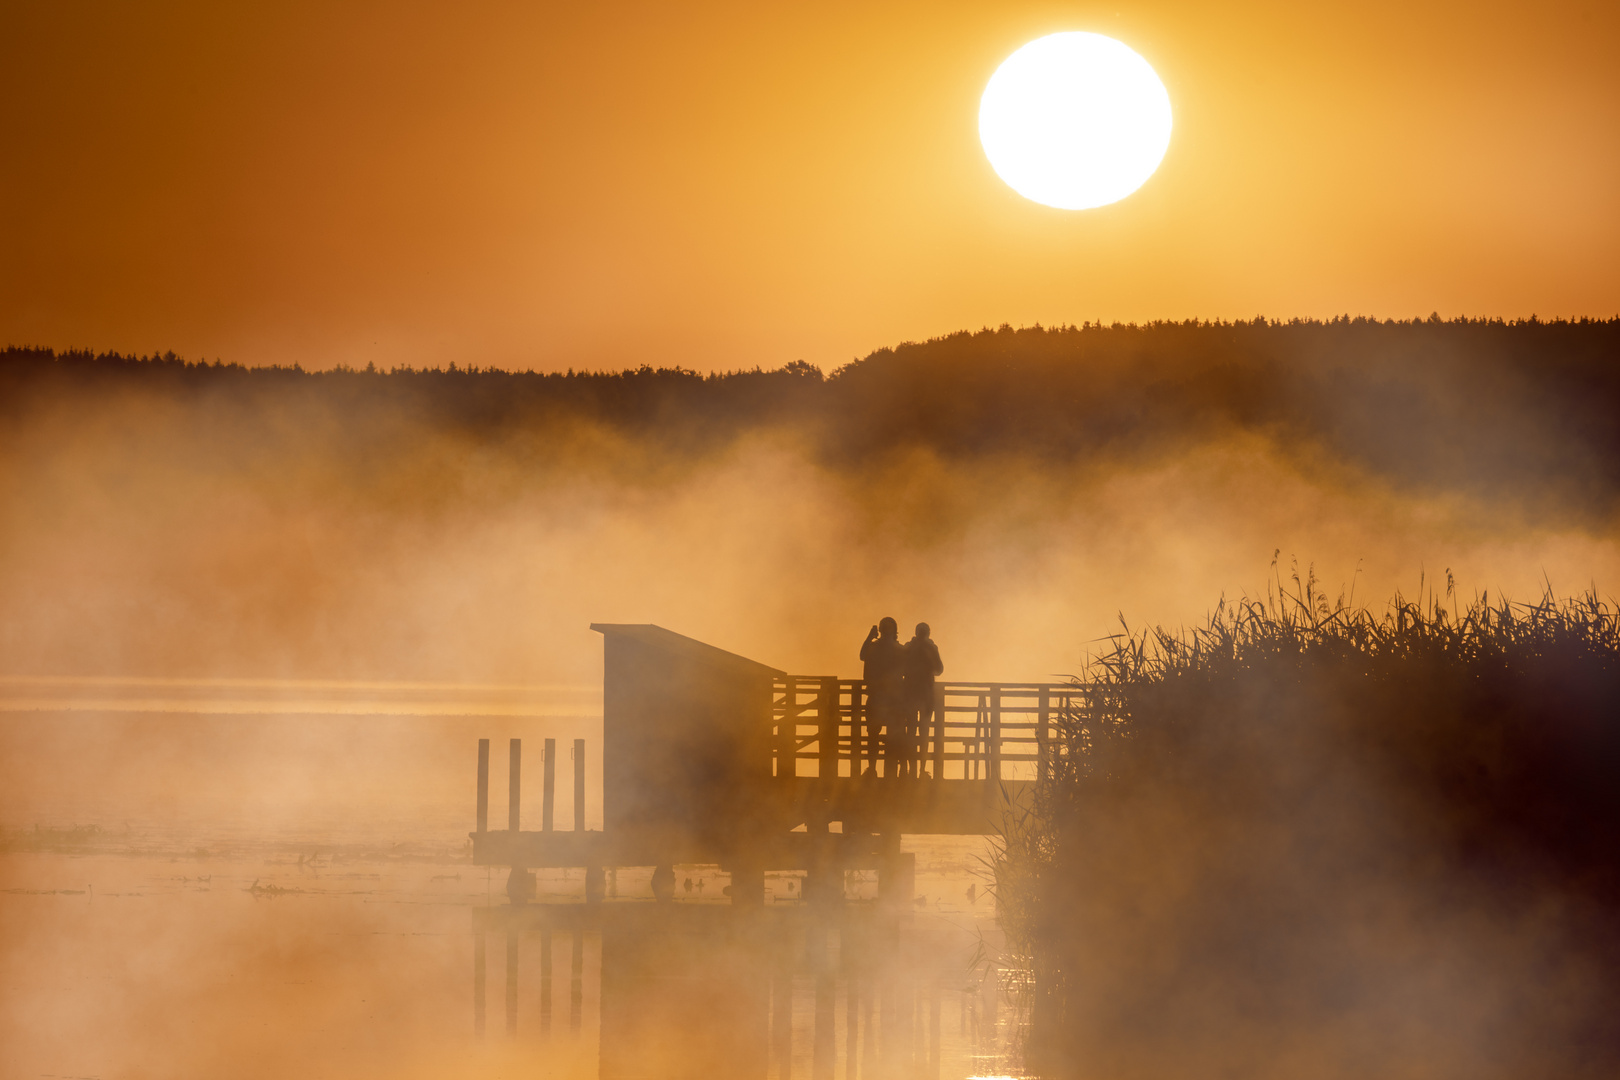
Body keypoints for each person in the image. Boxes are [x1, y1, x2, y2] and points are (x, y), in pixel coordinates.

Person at [860, 618, 905, 776]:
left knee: (873, 734)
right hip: (893, 698)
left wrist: (869, 637)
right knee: (893, 734)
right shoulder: (899, 649)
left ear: (879, 630)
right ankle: (891, 770)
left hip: (875, 696)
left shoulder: (873, 647)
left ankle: (872, 768)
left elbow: (862, 655)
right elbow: (906, 670)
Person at [902, 623, 944, 777]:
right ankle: (922, 769)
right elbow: (939, 669)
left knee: (911, 732)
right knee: (924, 733)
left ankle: (910, 769)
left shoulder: (908, 647)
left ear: (916, 632)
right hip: (926, 696)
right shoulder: (931, 648)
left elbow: (901, 668)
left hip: (909, 695)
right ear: (928, 634)